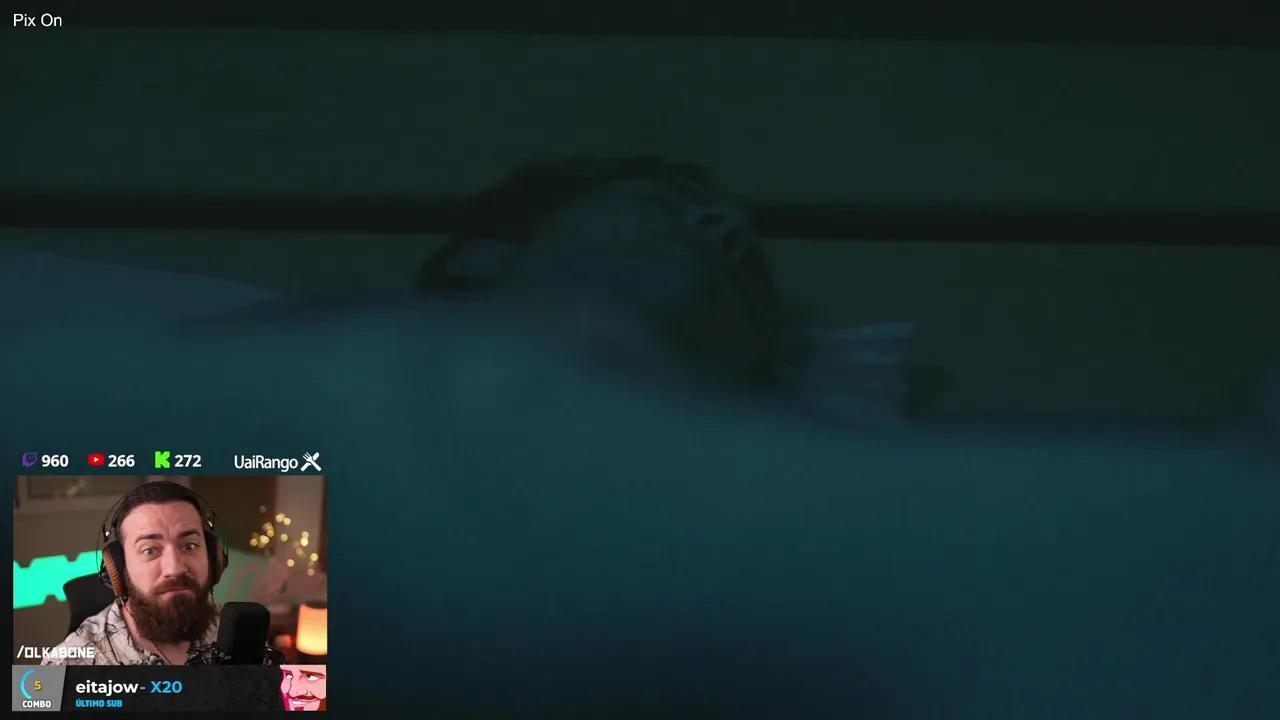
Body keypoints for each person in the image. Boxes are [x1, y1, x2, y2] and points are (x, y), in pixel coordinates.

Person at [41, 482, 222, 666]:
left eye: (190, 546)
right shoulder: (67, 663)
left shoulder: (234, 629)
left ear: (212, 556)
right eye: (150, 551)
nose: (175, 568)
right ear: (120, 567)